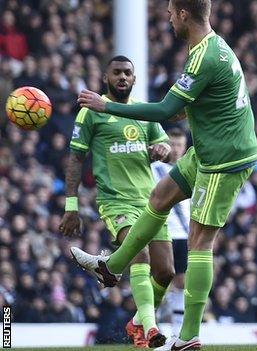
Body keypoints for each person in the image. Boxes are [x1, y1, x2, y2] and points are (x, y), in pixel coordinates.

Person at [70, 1, 257, 349]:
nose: (168, 17)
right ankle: (112, 266)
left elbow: (165, 109)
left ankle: (189, 335)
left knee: (200, 240)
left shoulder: (204, 57)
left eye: (171, 11)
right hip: (205, 149)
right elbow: (178, 113)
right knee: (159, 196)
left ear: (184, 14)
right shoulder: (208, 47)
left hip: (224, 160)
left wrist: (106, 105)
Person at [59, 55, 174, 348]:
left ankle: (137, 321)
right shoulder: (91, 112)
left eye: (127, 73)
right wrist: (71, 206)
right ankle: (149, 329)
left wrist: (162, 149)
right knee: (140, 256)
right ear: (105, 78)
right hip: (116, 201)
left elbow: (166, 146)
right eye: (117, 73)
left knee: (166, 271)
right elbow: (75, 157)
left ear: (134, 80)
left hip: (151, 201)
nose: (122, 77)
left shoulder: (142, 110)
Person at [150, 128, 190, 338]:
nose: (175, 149)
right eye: (172, 144)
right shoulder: (153, 169)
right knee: (158, 279)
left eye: (179, 145)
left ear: (185, 147)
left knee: (181, 281)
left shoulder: (190, 169)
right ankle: (150, 327)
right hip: (159, 231)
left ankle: (177, 331)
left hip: (183, 234)